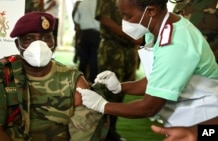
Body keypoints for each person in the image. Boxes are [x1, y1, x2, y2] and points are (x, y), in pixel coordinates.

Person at [77, 0, 218, 139]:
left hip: (203, 118)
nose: (124, 21)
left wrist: (103, 105)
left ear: (150, 11)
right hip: (183, 116)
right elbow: (157, 80)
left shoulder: (175, 44)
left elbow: (149, 107)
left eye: (128, 16)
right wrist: (120, 87)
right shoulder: (156, 29)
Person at [0, 12, 108, 141]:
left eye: (45, 38)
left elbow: (84, 132)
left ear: (53, 41)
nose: (38, 45)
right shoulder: (1, 75)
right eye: (28, 39)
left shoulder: (73, 79)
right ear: (17, 44)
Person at [94, 0, 140, 140]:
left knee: (120, 92)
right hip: (112, 49)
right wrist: (128, 35)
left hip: (129, 50)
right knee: (107, 92)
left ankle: (111, 132)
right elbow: (104, 18)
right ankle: (101, 133)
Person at [73, 0, 100, 83]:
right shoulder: (99, 3)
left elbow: (76, 20)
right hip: (97, 34)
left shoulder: (81, 3)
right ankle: (93, 81)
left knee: (83, 58)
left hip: (84, 34)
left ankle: (80, 80)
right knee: (94, 59)